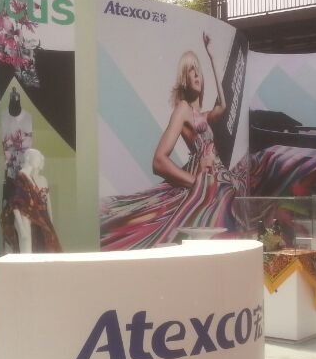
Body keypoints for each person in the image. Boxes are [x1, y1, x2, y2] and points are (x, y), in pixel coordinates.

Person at [100, 32, 237, 250]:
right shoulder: (183, 109)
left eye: (198, 69)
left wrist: (211, 57)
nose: (197, 74)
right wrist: (196, 182)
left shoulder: (204, 115)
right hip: (205, 180)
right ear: (184, 78)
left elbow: (223, 105)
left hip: (218, 177)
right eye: (191, 69)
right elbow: (159, 161)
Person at [0, 148, 62, 253]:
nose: (39, 160)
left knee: (32, 248)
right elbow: (15, 203)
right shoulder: (21, 176)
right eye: (36, 157)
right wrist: (21, 227)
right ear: (29, 158)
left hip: (29, 219)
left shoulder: (29, 177)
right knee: (26, 251)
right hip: (23, 220)